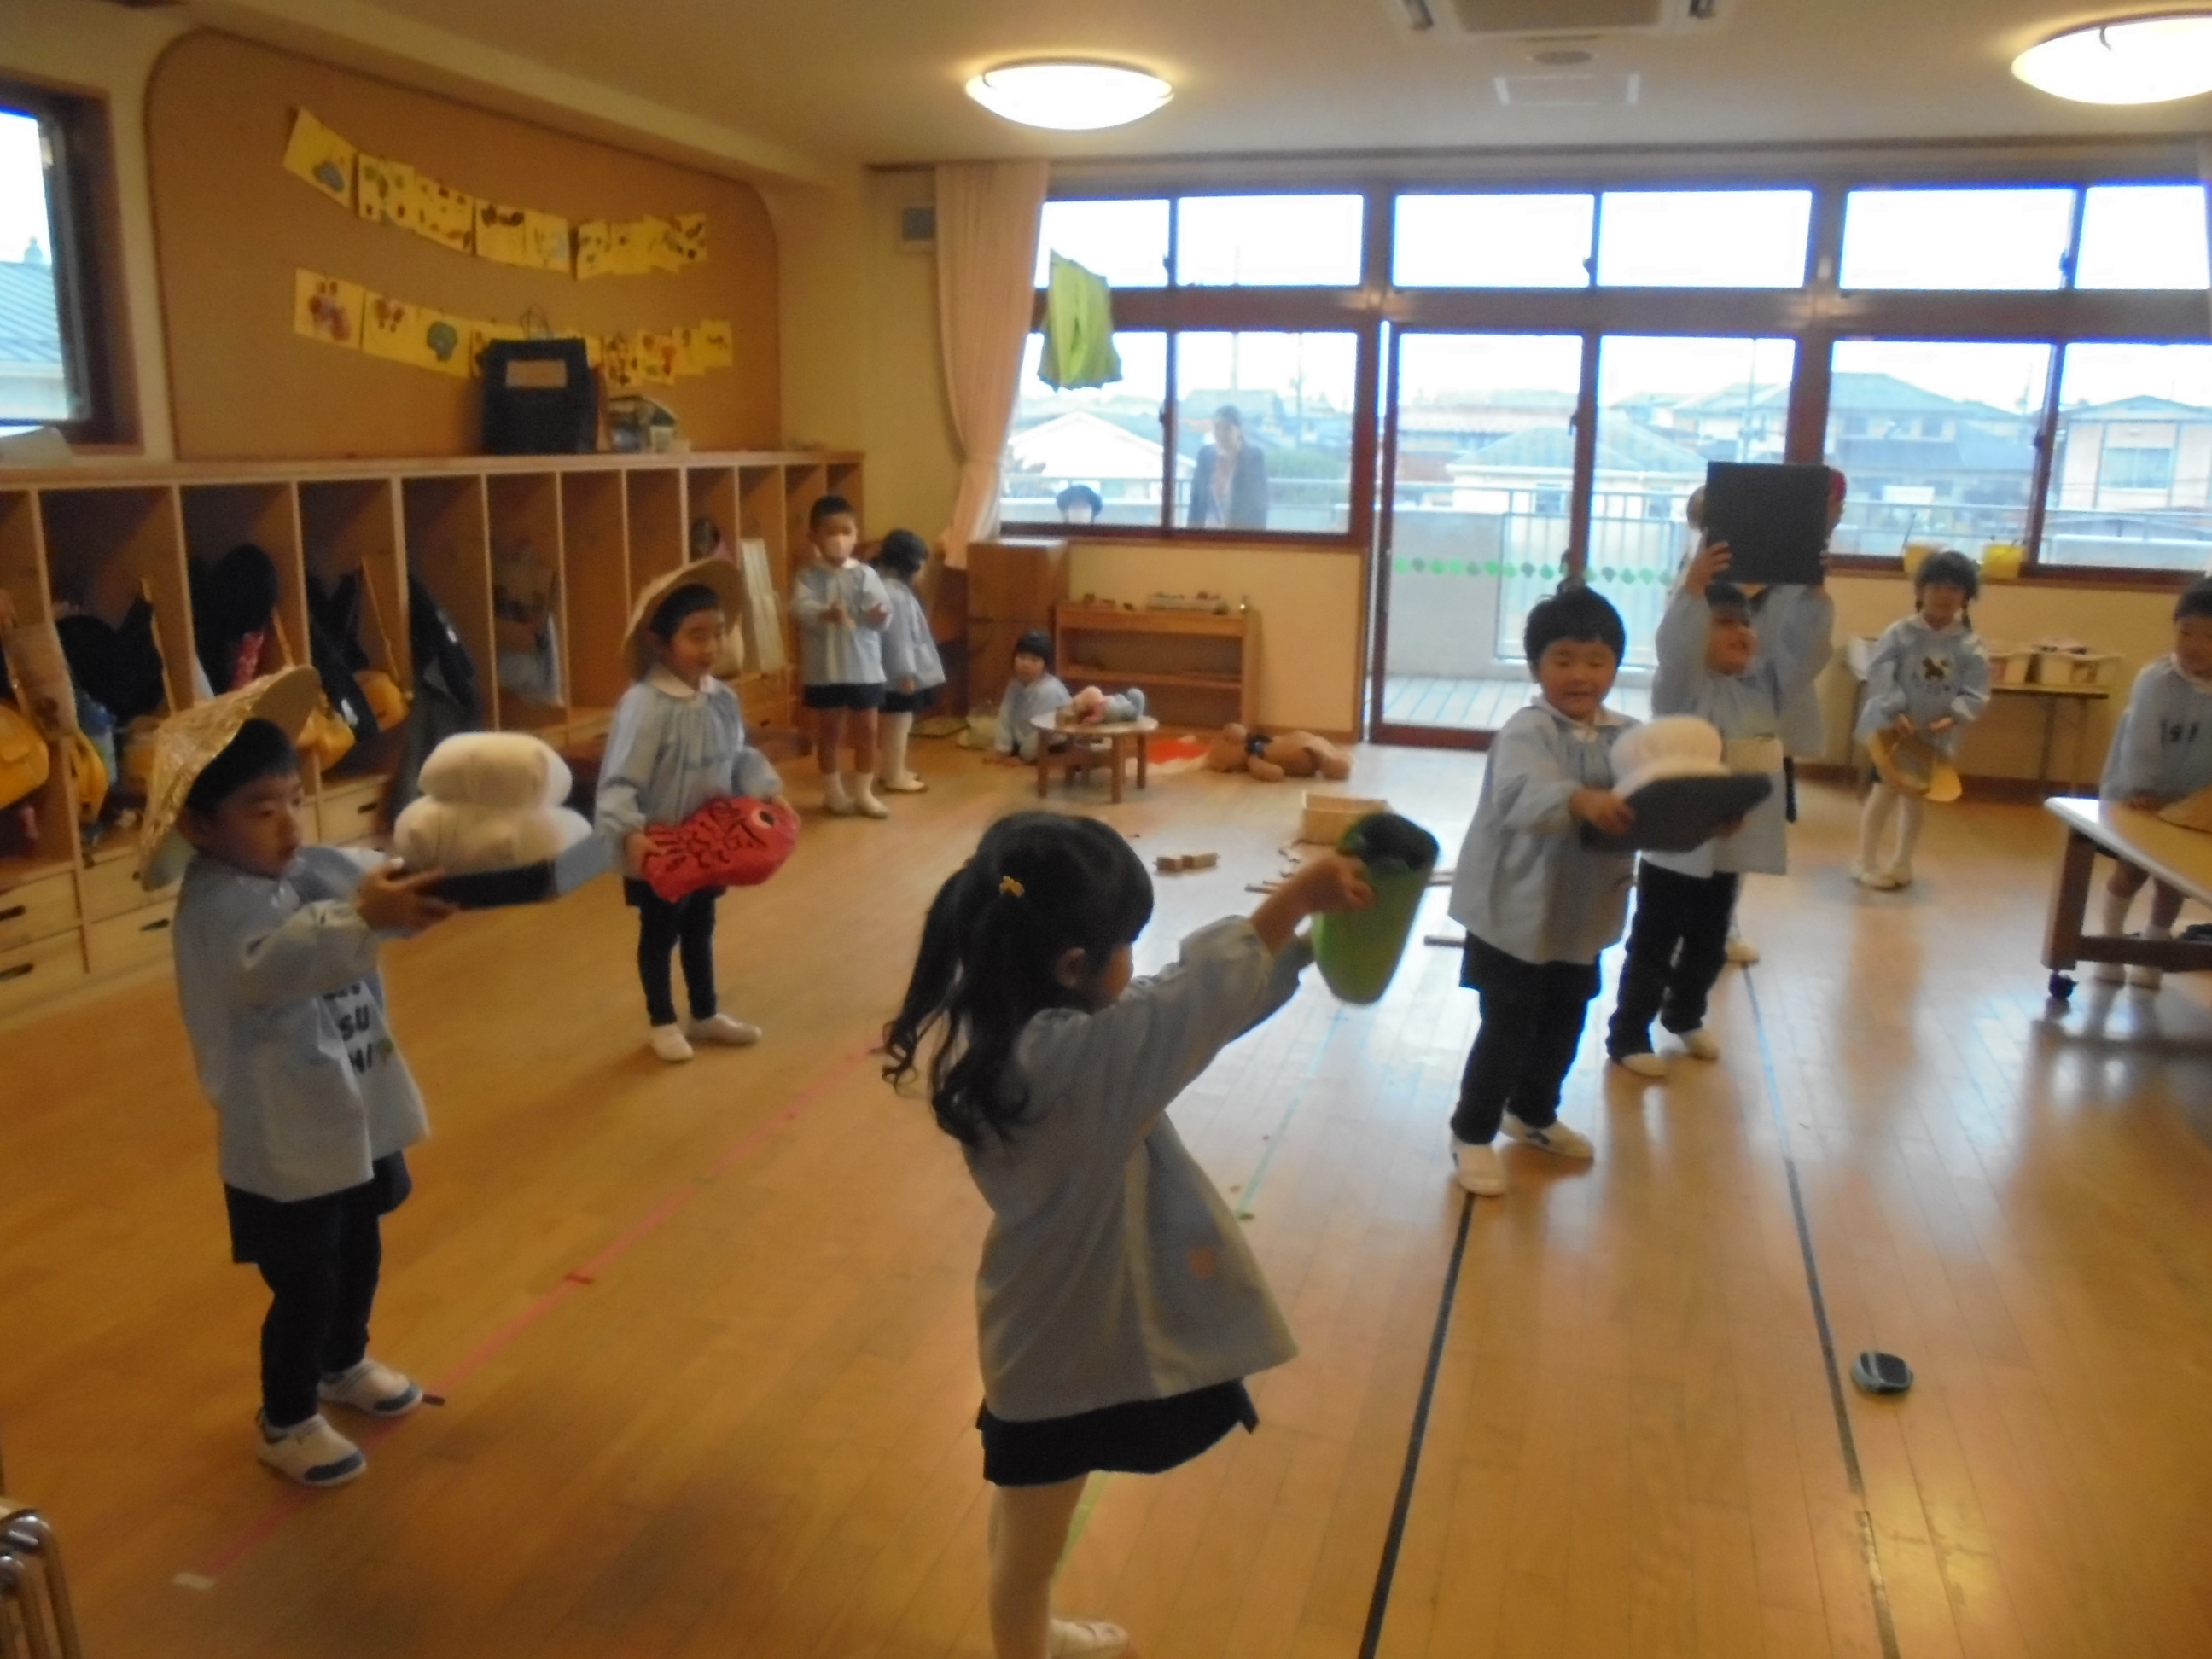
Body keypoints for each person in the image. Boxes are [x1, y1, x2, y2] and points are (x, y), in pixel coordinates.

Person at [882, 813, 1371, 1659]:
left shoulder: (1014, 1029)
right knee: (1027, 1555)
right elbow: (1174, 1016)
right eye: (1127, 945)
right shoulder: (1069, 1064)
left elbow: (1174, 1026)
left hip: (1053, 1324)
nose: (1135, 962)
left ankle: (1035, 1634)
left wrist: (1291, 949)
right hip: (1058, 1346)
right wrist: (1291, 903)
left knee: (1027, 1523)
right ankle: (1026, 1648)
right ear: (1072, 966)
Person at [160, 672, 456, 1487]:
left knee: (360, 1243)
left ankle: (341, 1362)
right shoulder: (216, 906)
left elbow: (363, 872)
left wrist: (426, 872)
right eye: (262, 809)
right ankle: (285, 1418)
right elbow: (276, 962)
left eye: (294, 799)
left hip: (351, 1102)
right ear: (198, 825)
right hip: (284, 1131)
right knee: (306, 1278)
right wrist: (365, 916)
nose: (291, 823)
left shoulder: (301, 867)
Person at [1608, 542, 1833, 1077]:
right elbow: (1676, 649)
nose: (1740, 632)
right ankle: (1629, 1033)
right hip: (1675, 847)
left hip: (1731, 843)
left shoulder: (1764, 687)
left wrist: (1813, 596)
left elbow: (1803, 651)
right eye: (1723, 623)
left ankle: (1684, 1013)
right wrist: (1693, 588)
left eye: (1745, 623)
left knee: (1709, 943)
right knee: (1655, 942)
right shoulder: (1683, 689)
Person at [1445, 585, 1639, 1198]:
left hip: (1580, 912)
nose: (1581, 675)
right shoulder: (1527, 731)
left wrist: (1700, 809)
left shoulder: (1629, 736)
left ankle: (1532, 1113)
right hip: (1514, 911)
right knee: (1507, 1026)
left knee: (1565, 1020)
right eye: (1564, 660)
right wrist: (1580, 800)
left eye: (1597, 661)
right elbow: (1519, 795)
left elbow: (1660, 788)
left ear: (1615, 666)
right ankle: (1472, 1131)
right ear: (1536, 667)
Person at [597, 562, 786, 1064]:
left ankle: (704, 1012)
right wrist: (631, 833)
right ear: (660, 642)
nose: (710, 647)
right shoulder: (645, 705)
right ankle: (662, 1020)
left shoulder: (721, 698)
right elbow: (619, 780)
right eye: (696, 636)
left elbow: (738, 755)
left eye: (718, 633)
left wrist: (766, 790)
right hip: (663, 848)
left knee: (701, 924)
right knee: (660, 932)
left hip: (711, 843)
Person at [2093, 576, 2212, 990]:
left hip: (2190, 807)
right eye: (2185, 632)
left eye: (2209, 637)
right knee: (2130, 872)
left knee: (2172, 883)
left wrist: (2197, 804)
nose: (2194, 645)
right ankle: (2110, 944)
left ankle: (2154, 950)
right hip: (2139, 798)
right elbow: (2141, 740)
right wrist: (2144, 788)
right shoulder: (2156, 679)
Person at [1852, 548, 1988, 890]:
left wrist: (1954, 716)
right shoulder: (1900, 634)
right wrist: (1895, 709)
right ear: (1919, 590)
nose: (1944, 595)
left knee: (1915, 797)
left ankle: (1902, 862)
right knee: (1884, 791)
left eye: (1954, 588)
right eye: (1936, 586)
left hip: (1931, 736)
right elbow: (1879, 672)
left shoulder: (1970, 645)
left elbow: (1976, 690)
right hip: (1891, 730)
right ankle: (1865, 862)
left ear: (1966, 596)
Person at [790, 494, 893, 818]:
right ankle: (834, 793)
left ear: (856, 534)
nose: (839, 539)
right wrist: (824, 614)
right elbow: (799, 608)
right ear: (814, 536)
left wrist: (878, 616)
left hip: (863, 667)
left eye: (846, 531)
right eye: (830, 531)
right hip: (825, 670)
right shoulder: (807, 576)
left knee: (869, 731)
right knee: (830, 731)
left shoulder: (865, 574)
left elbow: (881, 613)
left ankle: (863, 792)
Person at [873, 529, 946, 795]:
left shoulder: (883, 589)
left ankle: (893, 769)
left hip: (884, 672)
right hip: (897, 675)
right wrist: (904, 673)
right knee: (899, 724)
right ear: (911, 565)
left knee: (895, 725)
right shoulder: (898, 597)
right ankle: (894, 774)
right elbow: (899, 640)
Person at [992, 629, 1072, 765]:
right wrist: (1002, 749)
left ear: (1046, 666)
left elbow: (1042, 731)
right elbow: (1005, 716)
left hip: (1051, 743)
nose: (1026, 665)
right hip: (1025, 738)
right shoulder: (1015, 685)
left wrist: (1023, 758)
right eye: (1021, 657)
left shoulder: (1048, 690)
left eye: (1035, 660)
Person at [1188, 406, 1269, 531]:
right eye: (1217, 427)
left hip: (1240, 534)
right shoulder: (1205, 455)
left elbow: (1260, 503)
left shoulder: (1254, 457)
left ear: (1240, 430)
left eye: (1228, 428)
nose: (1221, 433)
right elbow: (1196, 500)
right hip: (1206, 534)